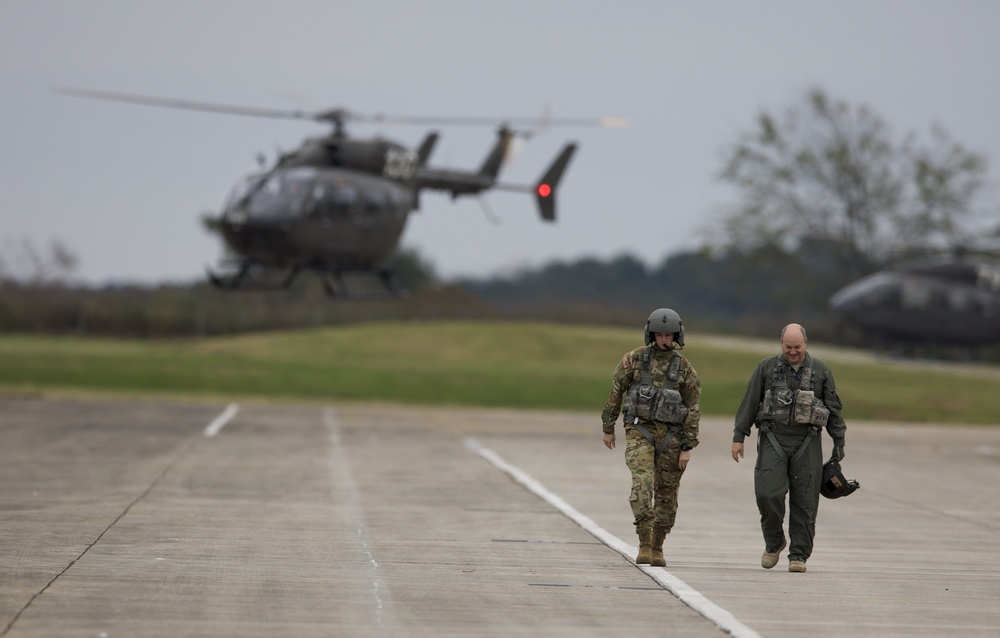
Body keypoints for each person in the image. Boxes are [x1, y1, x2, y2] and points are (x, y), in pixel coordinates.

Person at [731, 323, 847, 573]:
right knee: (767, 493)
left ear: (806, 343)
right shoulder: (766, 368)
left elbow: (834, 410)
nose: (792, 352)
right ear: (780, 344)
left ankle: (799, 555)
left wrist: (839, 442)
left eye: (797, 347)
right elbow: (750, 402)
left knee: (805, 501)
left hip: (808, 440)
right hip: (774, 437)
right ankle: (774, 543)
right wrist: (739, 435)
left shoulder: (822, 371)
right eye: (787, 347)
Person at [601, 308, 701, 567]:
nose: (664, 339)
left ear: (677, 335)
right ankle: (644, 542)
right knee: (642, 485)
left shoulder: (685, 368)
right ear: (651, 334)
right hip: (639, 430)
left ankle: (658, 546)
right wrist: (608, 425)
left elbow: (693, 407)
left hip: (672, 436)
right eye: (660, 334)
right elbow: (616, 390)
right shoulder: (634, 359)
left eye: (669, 334)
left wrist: (688, 445)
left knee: (667, 495)